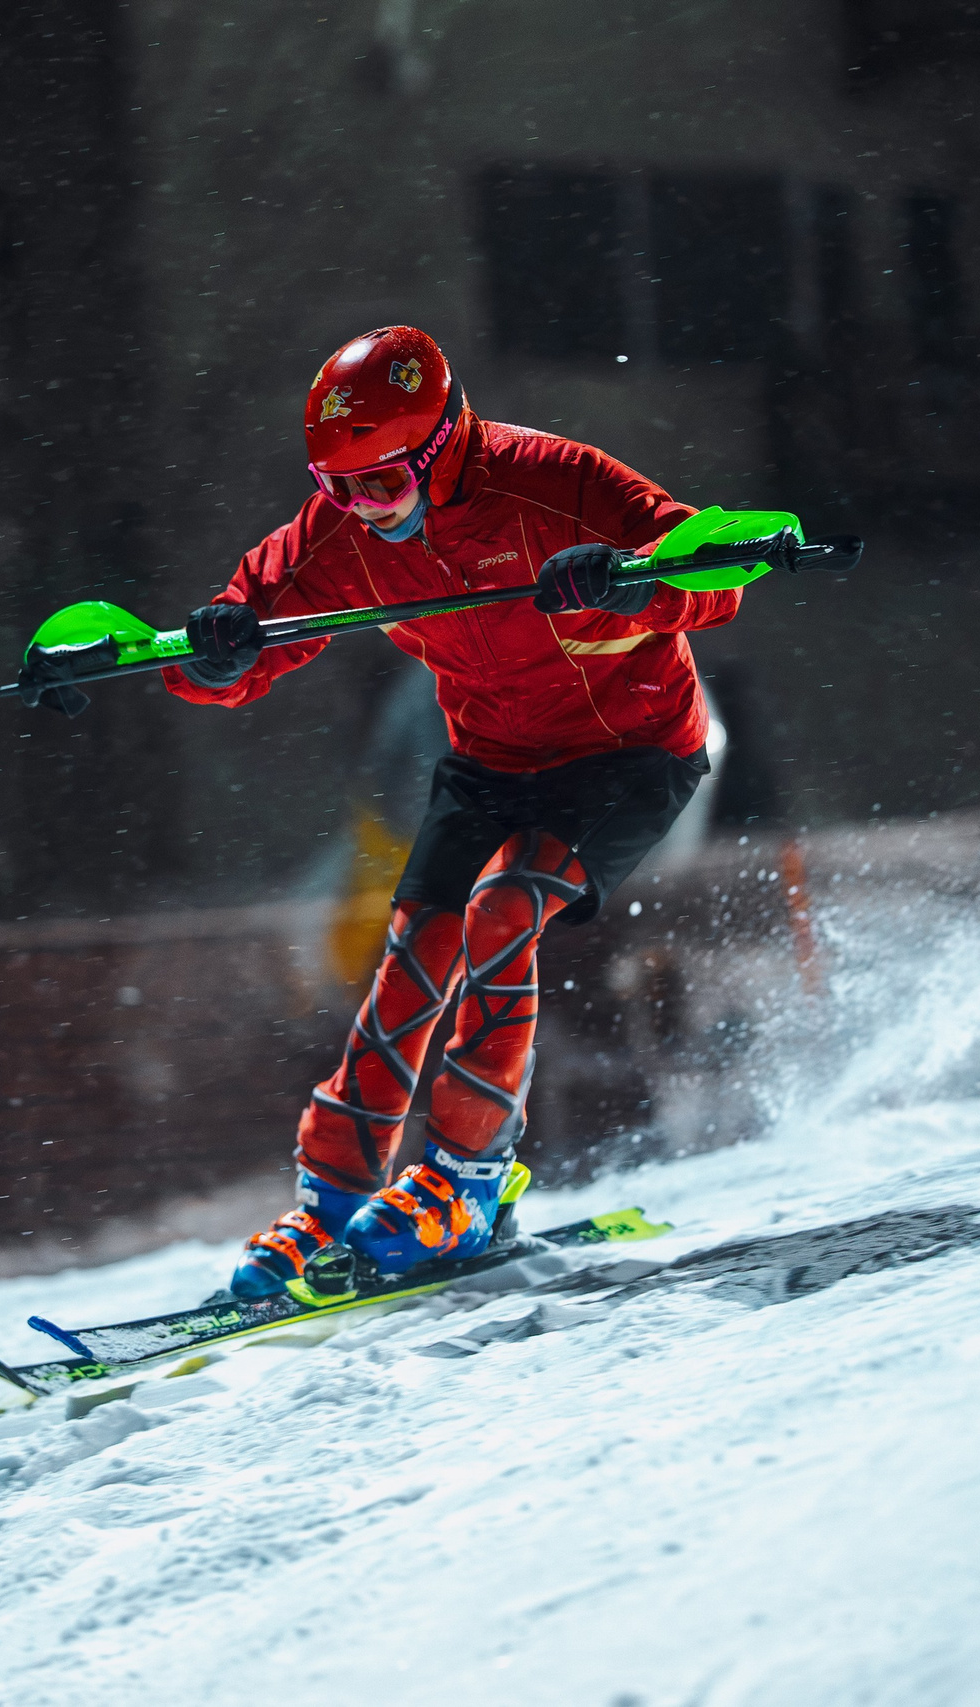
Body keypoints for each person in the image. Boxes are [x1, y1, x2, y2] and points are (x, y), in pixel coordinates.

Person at [165, 326, 748, 1297]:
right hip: (490, 762)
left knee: (504, 907)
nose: (360, 510)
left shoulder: (556, 482)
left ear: (437, 452)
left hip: (628, 756)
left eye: (380, 487)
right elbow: (248, 631)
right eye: (334, 487)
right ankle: (335, 1199)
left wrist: (623, 579)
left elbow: (713, 577)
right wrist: (216, 651)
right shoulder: (344, 528)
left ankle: (470, 1180)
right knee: (413, 950)